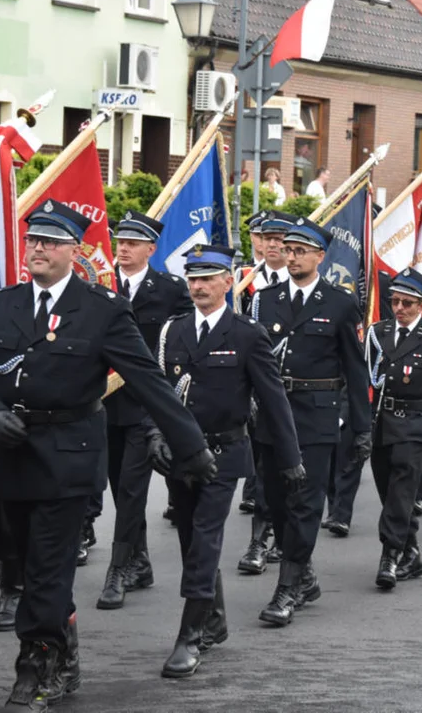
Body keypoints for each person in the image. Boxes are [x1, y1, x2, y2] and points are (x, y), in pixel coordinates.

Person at [0, 200, 216, 707]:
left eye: (50, 242)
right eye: (33, 239)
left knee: (49, 568)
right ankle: (65, 642)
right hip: (13, 455)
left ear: (73, 250)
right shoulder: (0, 307)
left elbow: (148, 382)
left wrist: (191, 445)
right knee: (24, 563)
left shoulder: (100, 309)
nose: (38, 248)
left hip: (69, 457)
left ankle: (38, 663)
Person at [150, 244, 301, 677]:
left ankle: (189, 635)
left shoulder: (247, 334)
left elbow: (274, 402)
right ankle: (213, 619)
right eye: (192, 279)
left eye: (207, 278)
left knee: (204, 540)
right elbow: (159, 392)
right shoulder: (172, 331)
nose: (197, 286)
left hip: (223, 454)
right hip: (181, 454)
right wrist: (156, 433)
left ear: (227, 282)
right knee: (187, 540)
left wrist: (290, 458)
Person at [250, 216, 371, 626]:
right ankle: (303, 571)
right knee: (276, 500)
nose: (293, 256)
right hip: (272, 413)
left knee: (305, 501)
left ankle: (287, 588)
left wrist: (362, 426)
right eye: (289, 249)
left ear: (320, 256)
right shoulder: (264, 300)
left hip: (317, 413)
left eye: (302, 251)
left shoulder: (339, 303)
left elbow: (356, 371)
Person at [96, 211, 192, 610]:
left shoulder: (169, 289)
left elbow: (185, 341)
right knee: (119, 488)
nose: (123, 249)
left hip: (145, 406)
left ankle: (118, 569)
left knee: (134, 489)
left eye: (133, 243)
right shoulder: (100, 286)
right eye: (120, 242)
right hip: (105, 403)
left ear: (151, 249)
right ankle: (141, 561)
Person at [366, 268, 422, 587]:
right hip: (382, 424)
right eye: (395, 302)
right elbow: (368, 382)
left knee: (402, 491)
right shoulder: (378, 332)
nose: (400, 309)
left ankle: (390, 555)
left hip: (417, 426)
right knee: (389, 493)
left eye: (408, 303)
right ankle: (411, 551)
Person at [237, 211, 295, 575]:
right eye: (267, 238)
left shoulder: (316, 289)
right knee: (262, 471)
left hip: (303, 398)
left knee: (294, 473)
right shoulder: (249, 287)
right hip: (262, 394)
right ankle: (260, 538)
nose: (273, 244)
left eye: (281, 239)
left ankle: (286, 539)